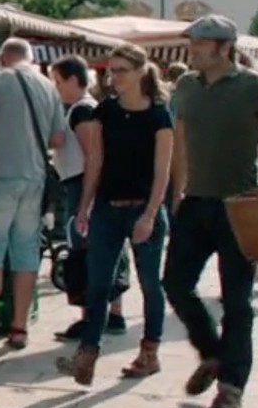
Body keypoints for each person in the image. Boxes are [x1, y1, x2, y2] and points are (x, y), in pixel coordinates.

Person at [163, 15, 258, 408]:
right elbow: (178, 141)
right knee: (175, 283)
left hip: (241, 205)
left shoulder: (257, 87)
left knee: (237, 302)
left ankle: (231, 386)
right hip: (195, 202)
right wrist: (176, 192)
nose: (191, 49)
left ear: (224, 47)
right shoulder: (185, 86)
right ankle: (212, 353)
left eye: (199, 43)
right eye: (191, 42)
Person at [57, 44, 173, 385]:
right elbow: (96, 160)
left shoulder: (158, 115)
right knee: (97, 284)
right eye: (111, 70)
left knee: (150, 283)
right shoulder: (105, 110)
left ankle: (149, 351)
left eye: (121, 70)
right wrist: (84, 207)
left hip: (142, 208)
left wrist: (150, 214)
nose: (114, 77)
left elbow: (162, 171)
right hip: (108, 208)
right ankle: (87, 356)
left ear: (140, 71)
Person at [0, 37, 66, 353]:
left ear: (4, 58)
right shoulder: (48, 86)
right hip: (33, 179)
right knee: (25, 252)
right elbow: (58, 138)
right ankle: (19, 328)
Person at [46, 55, 123, 345]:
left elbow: (93, 156)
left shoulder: (82, 111)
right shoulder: (84, 109)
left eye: (59, 81)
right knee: (97, 249)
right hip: (82, 183)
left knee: (85, 251)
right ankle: (108, 312)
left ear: (73, 80)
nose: (57, 88)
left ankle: (93, 315)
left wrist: (86, 202)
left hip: (82, 184)